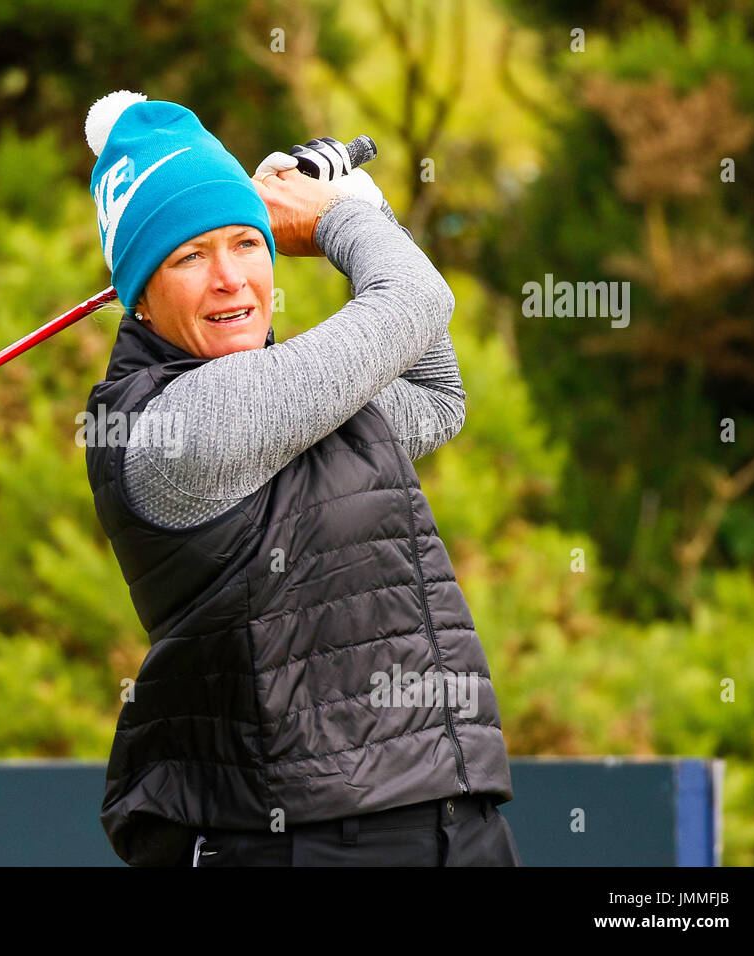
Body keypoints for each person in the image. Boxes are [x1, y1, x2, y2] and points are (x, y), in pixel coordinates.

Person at [82, 91, 521, 867]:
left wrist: (357, 210)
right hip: (311, 837)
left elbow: (436, 395)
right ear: (139, 296)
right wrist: (335, 218)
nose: (230, 279)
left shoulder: (291, 398)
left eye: (247, 244)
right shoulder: (176, 426)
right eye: (189, 256)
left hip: (447, 816)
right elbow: (416, 300)